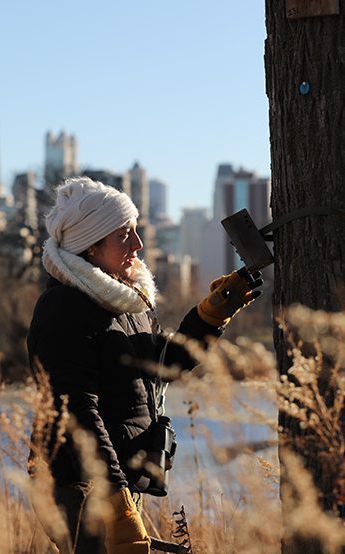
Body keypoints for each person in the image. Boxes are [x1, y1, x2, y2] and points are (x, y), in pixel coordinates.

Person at [27, 177, 262, 554]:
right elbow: (75, 413)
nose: (137, 244)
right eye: (124, 234)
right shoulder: (64, 309)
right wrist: (115, 497)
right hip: (81, 487)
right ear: (91, 245)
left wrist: (212, 313)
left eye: (136, 230)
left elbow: (163, 366)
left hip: (116, 484)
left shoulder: (126, 302)